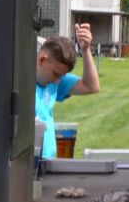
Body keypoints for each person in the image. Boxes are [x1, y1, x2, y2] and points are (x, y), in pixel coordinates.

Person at [36, 23, 100, 159]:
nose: (58, 81)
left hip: (48, 161)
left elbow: (91, 86)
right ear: (42, 60)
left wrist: (85, 50)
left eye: (62, 76)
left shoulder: (53, 82)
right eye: (56, 74)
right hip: (25, 164)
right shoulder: (17, 81)